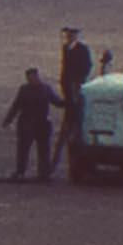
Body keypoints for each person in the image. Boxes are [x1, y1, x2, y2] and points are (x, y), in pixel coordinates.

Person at [2, 67, 64, 181]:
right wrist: (8, 120)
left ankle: (41, 173)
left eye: (32, 77)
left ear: (36, 76)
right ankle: (25, 171)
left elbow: (57, 102)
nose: (31, 80)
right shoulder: (39, 89)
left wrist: (66, 102)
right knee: (26, 150)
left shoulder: (39, 89)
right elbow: (16, 106)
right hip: (31, 124)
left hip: (37, 124)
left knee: (40, 150)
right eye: (29, 78)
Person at [52, 27, 94, 171]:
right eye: (68, 35)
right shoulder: (66, 48)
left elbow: (87, 65)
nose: (69, 37)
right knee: (70, 102)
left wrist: (79, 79)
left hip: (76, 82)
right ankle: (71, 116)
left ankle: (73, 121)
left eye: (71, 35)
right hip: (67, 82)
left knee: (75, 107)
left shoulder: (82, 49)